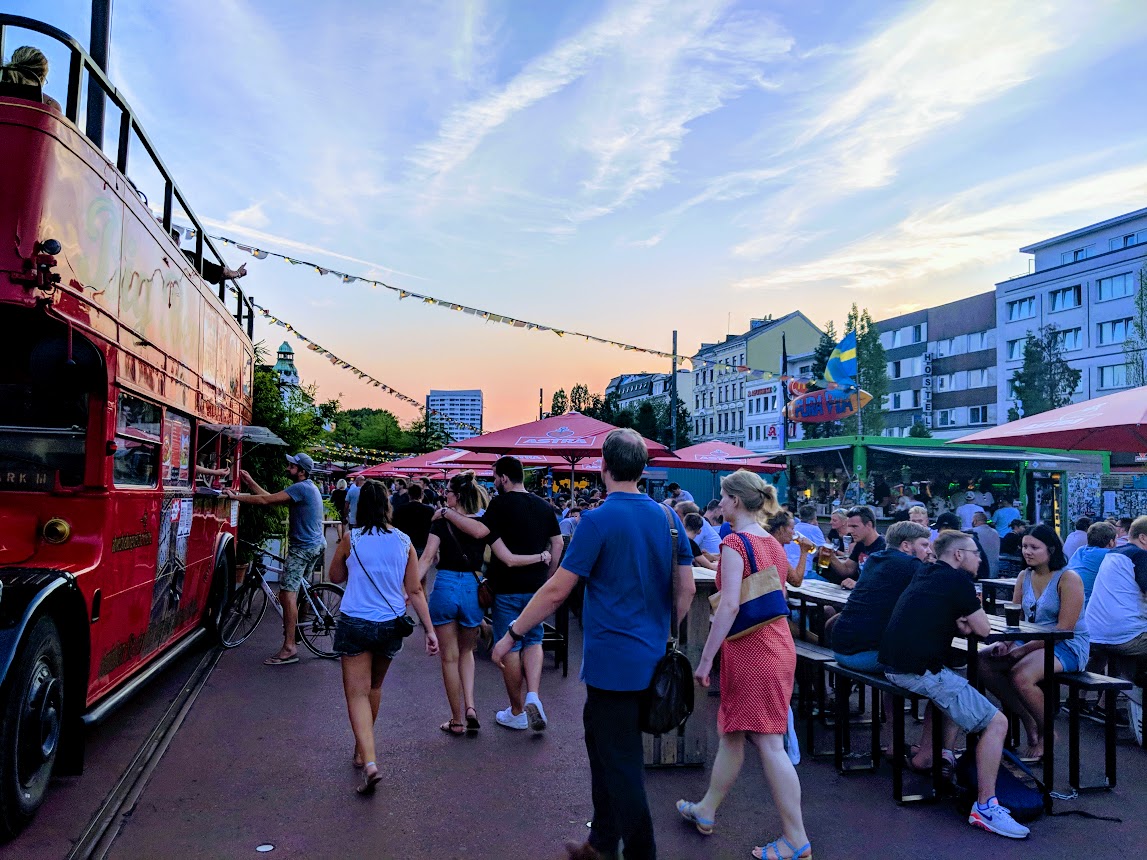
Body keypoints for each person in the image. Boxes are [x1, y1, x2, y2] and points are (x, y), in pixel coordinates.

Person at [491, 429, 695, 860]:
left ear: (603, 467)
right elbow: (687, 590)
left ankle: (639, 853)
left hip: (611, 665)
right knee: (605, 751)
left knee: (621, 767)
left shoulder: (598, 520)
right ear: (642, 469)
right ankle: (601, 843)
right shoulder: (668, 517)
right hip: (654, 658)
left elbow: (556, 591)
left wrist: (510, 634)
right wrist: (664, 628)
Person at [676, 470, 811, 860]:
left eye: (721, 497)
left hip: (752, 651)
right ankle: (706, 809)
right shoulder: (770, 541)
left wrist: (704, 659)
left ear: (735, 501)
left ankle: (796, 837)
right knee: (735, 732)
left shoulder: (735, 542)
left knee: (768, 742)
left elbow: (730, 604)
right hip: (775, 644)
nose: (718, 504)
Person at [880, 531, 1030, 839]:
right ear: (958, 555)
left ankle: (934, 756)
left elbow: (955, 621)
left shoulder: (927, 572)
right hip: (918, 670)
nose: (980, 558)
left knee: (955, 683)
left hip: (895, 665)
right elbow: (985, 628)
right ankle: (986, 807)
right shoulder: (957, 581)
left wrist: (963, 623)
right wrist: (967, 622)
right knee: (996, 723)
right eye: (975, 553)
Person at [327, 480, 438, 794]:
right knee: (374, 687)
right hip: (390, 623)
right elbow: (415, 589)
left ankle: (370, 760)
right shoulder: (404, 542)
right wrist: (429, 631)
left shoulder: (352, 539)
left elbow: (335, 577)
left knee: (356, 694)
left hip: (355, 621)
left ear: (360, 506)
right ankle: (363, 750)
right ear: (388, 506)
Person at [442, 456, 563, 732]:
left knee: (510, 643)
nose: (493, 482)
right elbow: (557, 543)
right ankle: (533, 695)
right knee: (533, 639)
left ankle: (518, 710)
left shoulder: (499, 504)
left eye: (495, 477)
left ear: (505, 478)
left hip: (506, 586)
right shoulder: (544, 506)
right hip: (536, 588)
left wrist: (448, 514)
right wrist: (549, 576)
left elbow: (479, 530)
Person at [419, 471, 545, 736]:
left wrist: (407, 589)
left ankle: (456, 720)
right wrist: (540, 557)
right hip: (473, 590)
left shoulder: (442, 522)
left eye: (448, 492)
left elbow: (428, 558)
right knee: (467, 653)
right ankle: (471, 707)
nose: (445, 496)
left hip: (445, 587)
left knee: (449, 658)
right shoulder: (485, 524)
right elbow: (507, 557)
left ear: (457, 495)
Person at [979, 524, 1089, 762]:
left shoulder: (1068, 578)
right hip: (1029, 640)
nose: (1027, 552)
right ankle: (1028, 720)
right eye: (1024, 547)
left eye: (1034, 547)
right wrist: (1007, 644)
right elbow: (1016, 617)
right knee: (982, 660)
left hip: (1067, 645)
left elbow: (1064, 629)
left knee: (1020, 676)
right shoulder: (1024, 576)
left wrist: (1023, 649)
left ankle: (1047, 732)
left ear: (1051, 549)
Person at [224, 453, 324, 666]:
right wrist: (250, 482)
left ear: (302, 471)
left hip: (302, 549)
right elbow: (270, 499)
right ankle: (300, 632)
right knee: (300, 590)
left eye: (292, 466)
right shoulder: (309, 488)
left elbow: (264, 500)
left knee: (288, 593)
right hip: (316, 545)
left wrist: (235, 497)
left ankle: (289, 648)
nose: (288, 468)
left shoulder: (301, 488)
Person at [831, 521, 932, 671]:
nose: (929, 551)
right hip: (866, 655)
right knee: (930, 660)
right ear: (906, 546)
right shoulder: (912, 564)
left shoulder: (874, 559)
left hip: (839, 650)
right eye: (924, 545)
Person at [1084, 515, 1147, 666]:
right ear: (1143, 538)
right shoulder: (1141, 556)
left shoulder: (1113, 553)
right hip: (1124, 637)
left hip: (1093, 632)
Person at [825, 506, 885, 589]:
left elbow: (884, 582)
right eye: (849, 526)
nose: (849, 531)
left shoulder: (884, 547)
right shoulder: (860, 544)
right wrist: (831, 556)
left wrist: (857, 584)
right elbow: (847, 569)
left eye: (854, 526)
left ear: (869, 525)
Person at [1066, 521, 1117, 605]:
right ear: (1111, 542)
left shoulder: (1080, 550)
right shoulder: (1109, 555)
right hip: (1088, 608)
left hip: (1069, 602)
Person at [766, 510, 812, 586]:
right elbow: (796, 581)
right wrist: (804, 551)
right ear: (781, 529)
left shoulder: (769, 544)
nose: (794, 533)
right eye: (792, 529)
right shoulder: (775, 550)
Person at [391, 482, 435, 556]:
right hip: (422, 544)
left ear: (409, 495)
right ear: (422, 495)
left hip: (404, 545)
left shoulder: (400, 509)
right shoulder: (429, 510)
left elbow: (394, 527)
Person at [971, 512, 1001, 577]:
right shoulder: (995, 532)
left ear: (975, 521)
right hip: (995, 570)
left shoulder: (973, 532)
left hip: (980, 571)